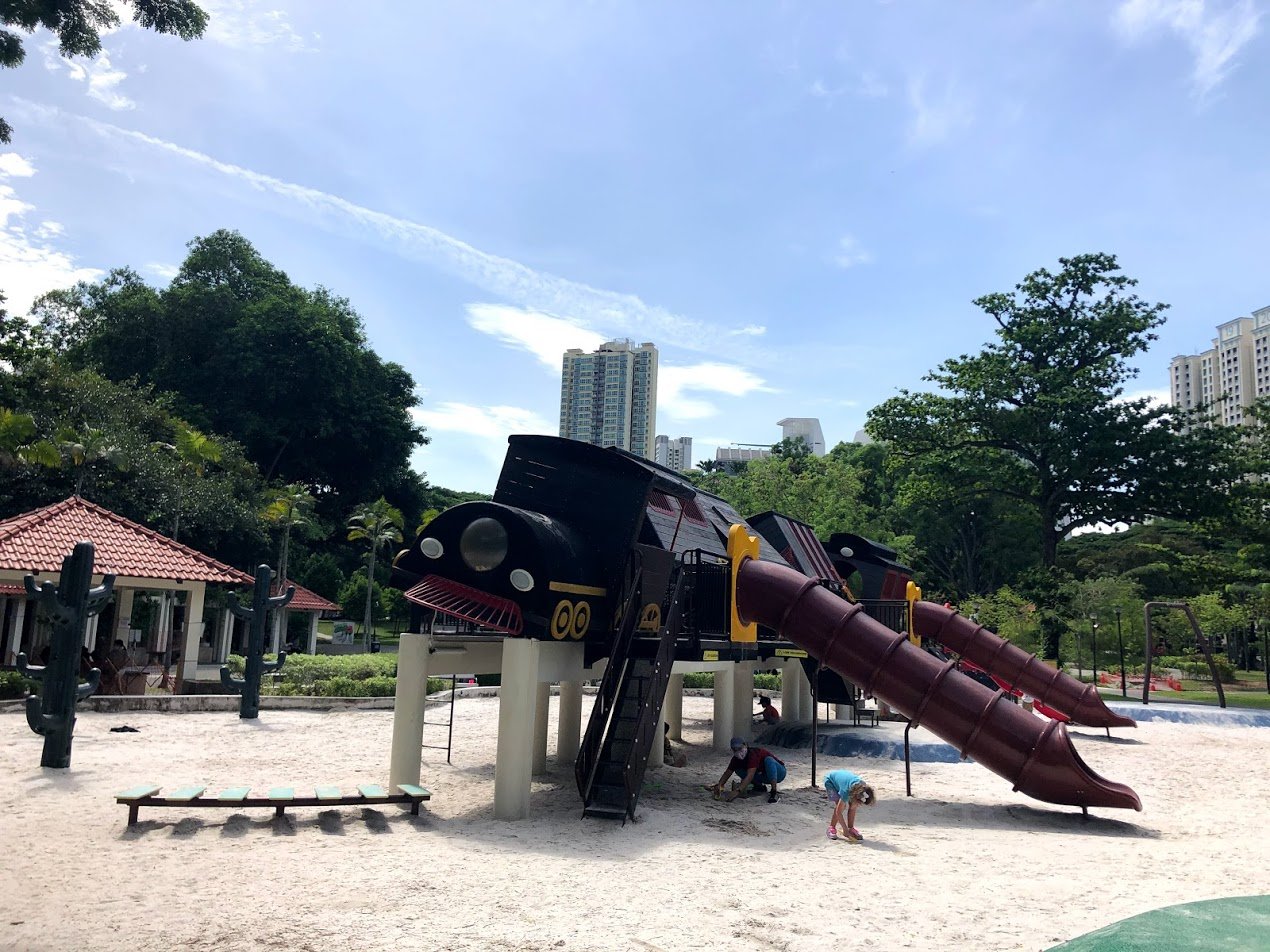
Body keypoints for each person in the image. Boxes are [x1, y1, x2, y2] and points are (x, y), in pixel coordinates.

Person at [711, 737, 786, 803]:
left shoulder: (753, 754)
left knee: (769, 760)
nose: (738, 752)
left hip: (778, 773)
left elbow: (750, 775)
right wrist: (720, 785)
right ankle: (759, 787)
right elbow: (728, 772)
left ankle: (773, 791)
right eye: (735, 750)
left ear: (745, 745)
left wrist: (738, 790)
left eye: (739, 748)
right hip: (763, 775)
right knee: (739, 770)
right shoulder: (735, 759)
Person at [824, 768, 876, 843]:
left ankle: (851, 828)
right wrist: (844, 829)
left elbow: (854, 805)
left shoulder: (863, 787)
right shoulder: (845, 792)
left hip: (844, 781)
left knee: (853, 806)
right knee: (841, 807)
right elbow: (839, 812)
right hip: (830, 781)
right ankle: (831, 827)